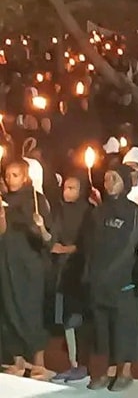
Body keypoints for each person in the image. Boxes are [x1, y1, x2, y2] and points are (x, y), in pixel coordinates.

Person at [83, 163, 138, 391]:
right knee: (102, 327)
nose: (109, 183)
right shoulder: (98, 211)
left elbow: (131, 243)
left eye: (115, 179)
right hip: (98, 280)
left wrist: (111, 272)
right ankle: (108, 370)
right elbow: (89, 244)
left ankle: (125, 371)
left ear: (125, 183)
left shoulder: (132, 211)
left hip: (122, 279)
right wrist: (90, 272)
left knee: (122, 326)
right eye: (107, 178)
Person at [0, 157, 54, 379]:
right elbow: (2, 232)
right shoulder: (5, 200)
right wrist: (2, 215)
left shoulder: (36, 200)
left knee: (29, 312)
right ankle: (18, 360)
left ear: (25, 177)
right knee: (8, 310)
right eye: (7, 175)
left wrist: (39, 226)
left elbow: (47, 238)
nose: (9, 179)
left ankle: (38, 362)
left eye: (15, 175)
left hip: (29, 265)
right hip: (6, 262)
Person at [50, 174, 91, 383]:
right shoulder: (58, 209)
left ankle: (83, 363)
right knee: (66, 318)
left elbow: (87, 241)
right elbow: (52, 236)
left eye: (73, 188)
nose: (67, 191)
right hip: (61, 270)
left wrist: (66, 249)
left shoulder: (87, 211)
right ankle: (73, 363)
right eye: (66, 187)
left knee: (78, 318)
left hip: (79, 270)